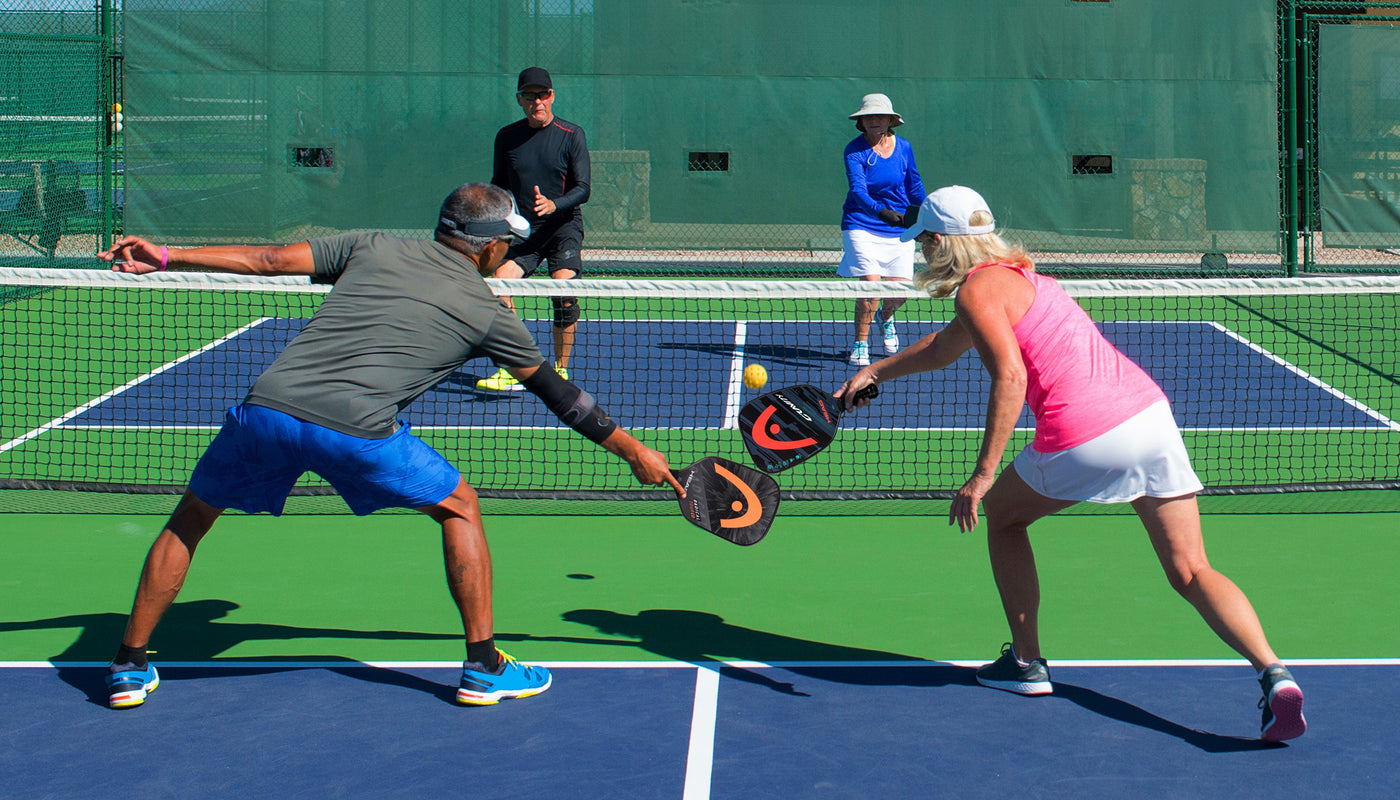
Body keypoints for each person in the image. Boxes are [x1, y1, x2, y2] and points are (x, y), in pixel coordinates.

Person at [97, 182, 683, 710]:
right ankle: (483, 667)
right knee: (460, 506)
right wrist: (636, 452)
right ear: (484, 249)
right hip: (356, 430)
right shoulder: (489, 312)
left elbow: (268, 260)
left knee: (192, 517)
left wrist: (166, 255)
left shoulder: (372, 245)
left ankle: (127, 664)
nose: (508, 251)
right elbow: (563, 397)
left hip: (267, 409)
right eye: (506, 242)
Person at [835, 185, 1306, 742]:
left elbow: (1009, 378)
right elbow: (943, 348)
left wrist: (982, 476)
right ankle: (1274, 674)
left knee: (1005, 517)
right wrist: (876, 372)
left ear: (941, 241)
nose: (922, 253)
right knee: (1191, 569)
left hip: (1086, 432)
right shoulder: (1022, 278)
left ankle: (1027, 664)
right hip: (1150, 418)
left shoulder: (977, 293)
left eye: (926, 242)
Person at [476, 66, 591, 392]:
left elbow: (584, 188)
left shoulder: (572, 136)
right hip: (524, 234)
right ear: (520, 100)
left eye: (543, 95)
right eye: (530, 96)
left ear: (551, 97)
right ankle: (515, 367)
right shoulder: (507, 137)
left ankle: (560, 370)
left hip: (562, 230)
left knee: (564, 295)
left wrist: (555, 204)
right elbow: (498, 185)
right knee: (498, 288)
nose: (537, 101)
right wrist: (496, 219)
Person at [838, 93, 927, 367]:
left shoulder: (904, 148)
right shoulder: (854, 151)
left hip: (899, 227)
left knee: (898, 292)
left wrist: (925, 215)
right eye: (869, 117)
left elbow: (913, 185)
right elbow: (858, 191)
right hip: (861, 223)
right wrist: (881, 212)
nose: (874, 121)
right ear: (861, 122)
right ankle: (860, 344)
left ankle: (886, 317)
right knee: (872, 286)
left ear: (890, 121)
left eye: (879, 116)